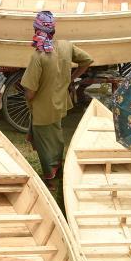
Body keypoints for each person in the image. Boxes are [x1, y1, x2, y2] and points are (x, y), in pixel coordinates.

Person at [21, 11, 92, 184]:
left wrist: (29, 100)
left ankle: (50, 179)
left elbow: (30, 91)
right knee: (56, 139)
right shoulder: (66, 46)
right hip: (60, 103)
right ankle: (58, 169)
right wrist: (72, 78)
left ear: (37, 31)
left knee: (46, 146)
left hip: (43, 109)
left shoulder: (38, 56)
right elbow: (87, 60)